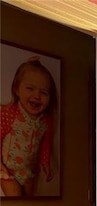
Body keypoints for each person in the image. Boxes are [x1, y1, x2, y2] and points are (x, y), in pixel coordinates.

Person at [1, 56, 58, 197]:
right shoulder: (9, 113)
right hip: (7, 170)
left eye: (43, 92)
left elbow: (46, 143)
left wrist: (45, 163)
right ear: (17, 90)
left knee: (28, 202)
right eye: (30, 88)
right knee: (15, 198)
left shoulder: (45, 121)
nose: (36, 96)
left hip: (28, 172)